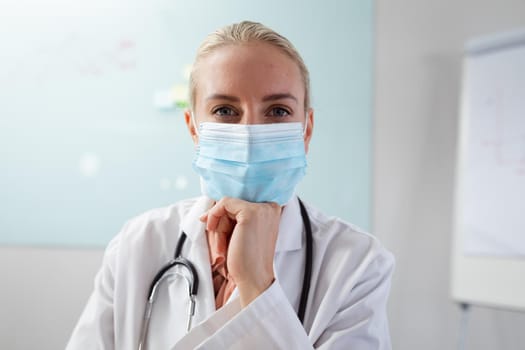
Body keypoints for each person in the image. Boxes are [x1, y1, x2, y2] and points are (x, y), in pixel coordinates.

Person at [66, 21, 394, 350]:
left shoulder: (357, 264)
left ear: (305, 130)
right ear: (193, 128)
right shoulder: (137, 245)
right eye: (225, 110)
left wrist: (258, 285)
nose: (250, 131)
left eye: (278, 111)